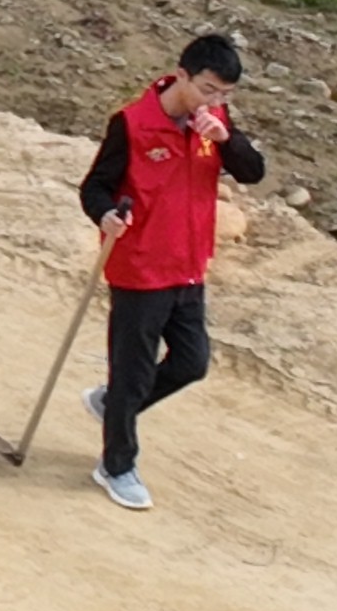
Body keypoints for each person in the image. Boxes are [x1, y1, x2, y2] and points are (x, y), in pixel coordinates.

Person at [81, 33, 265, 514]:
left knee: (192, 361)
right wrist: (105, 215)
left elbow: (252, 172)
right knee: (133, 370)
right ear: (181, 75)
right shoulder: (131, 123)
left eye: (224, 95)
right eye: (208, 89)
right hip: (139, 265)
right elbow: (95, 187)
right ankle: (116, 465)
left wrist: (228, 140)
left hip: (188, 265)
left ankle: (114, 405)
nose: (215, 101)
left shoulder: (216, 123)